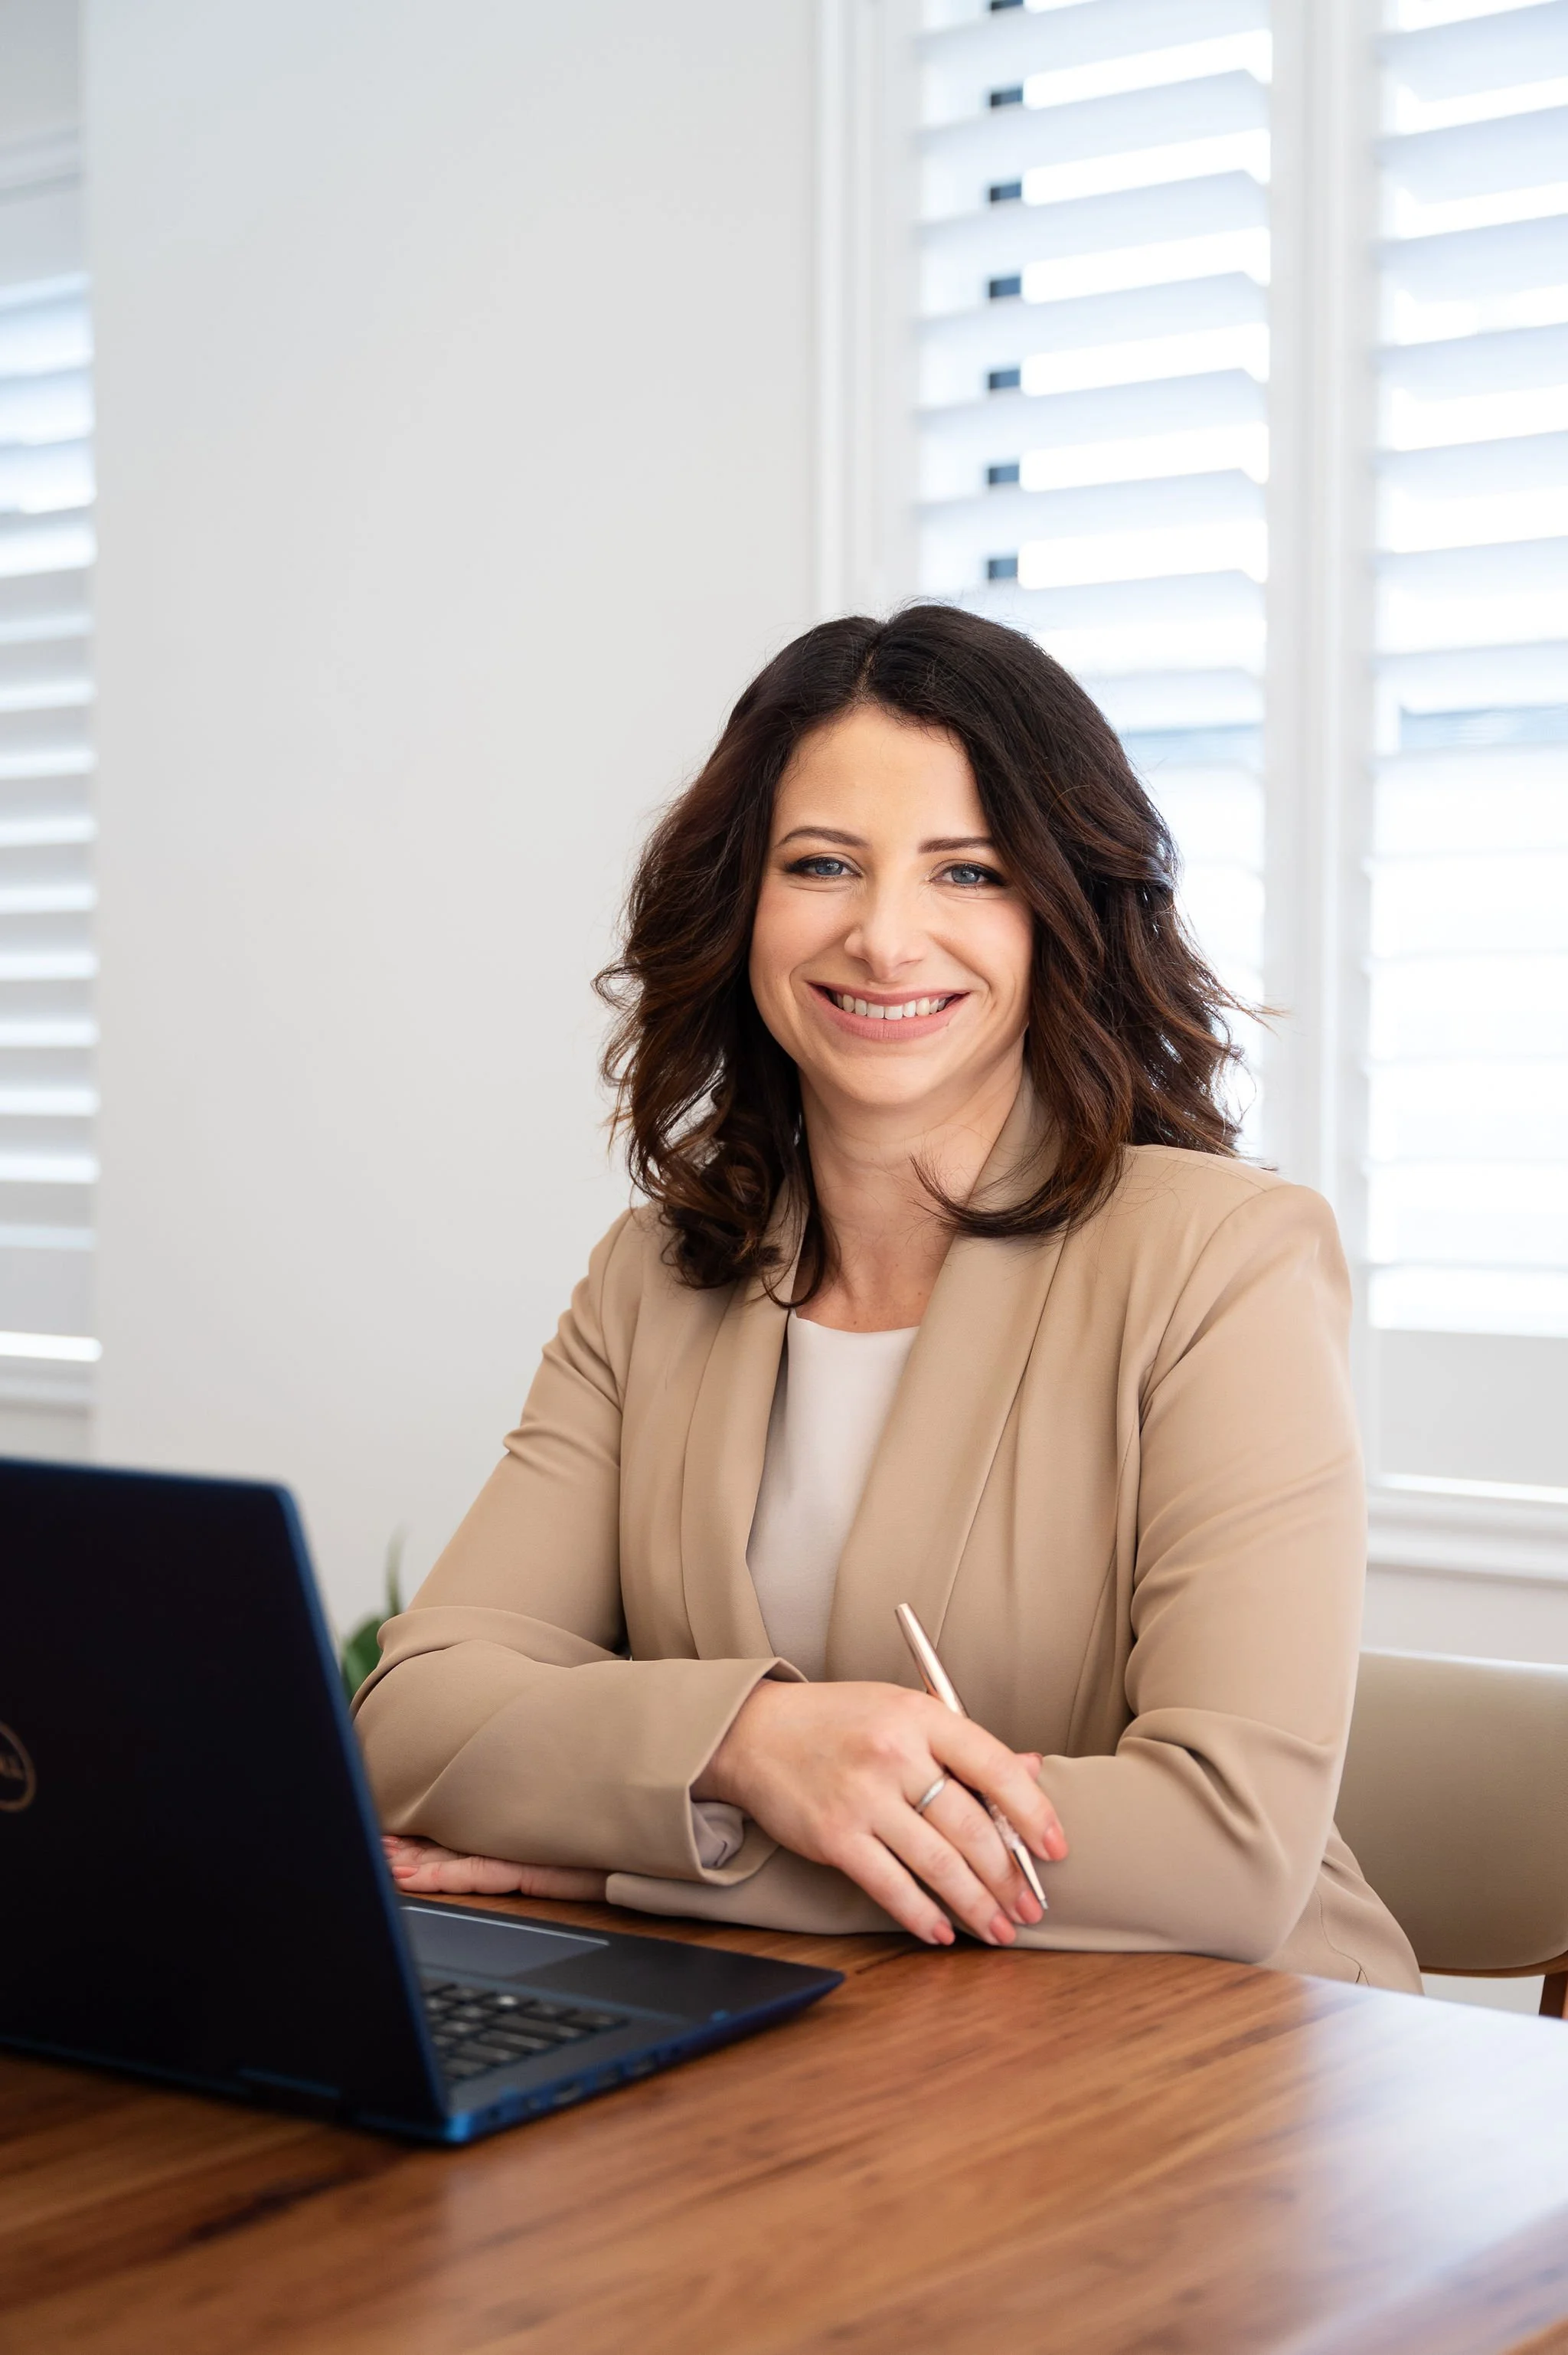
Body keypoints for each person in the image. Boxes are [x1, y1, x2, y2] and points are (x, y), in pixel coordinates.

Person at [354, 605, 1421, 1988]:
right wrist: (745, 1745)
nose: (885, 934)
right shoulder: (655, 1277)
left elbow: (1226, 1844)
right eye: (821, 864)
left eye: (967, 872)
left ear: (1060, 912)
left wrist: (657, 1848)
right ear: (742, 903)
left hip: (1220, 2065)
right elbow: (416, 1715)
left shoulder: (1226, 1260)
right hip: (846, 2060)